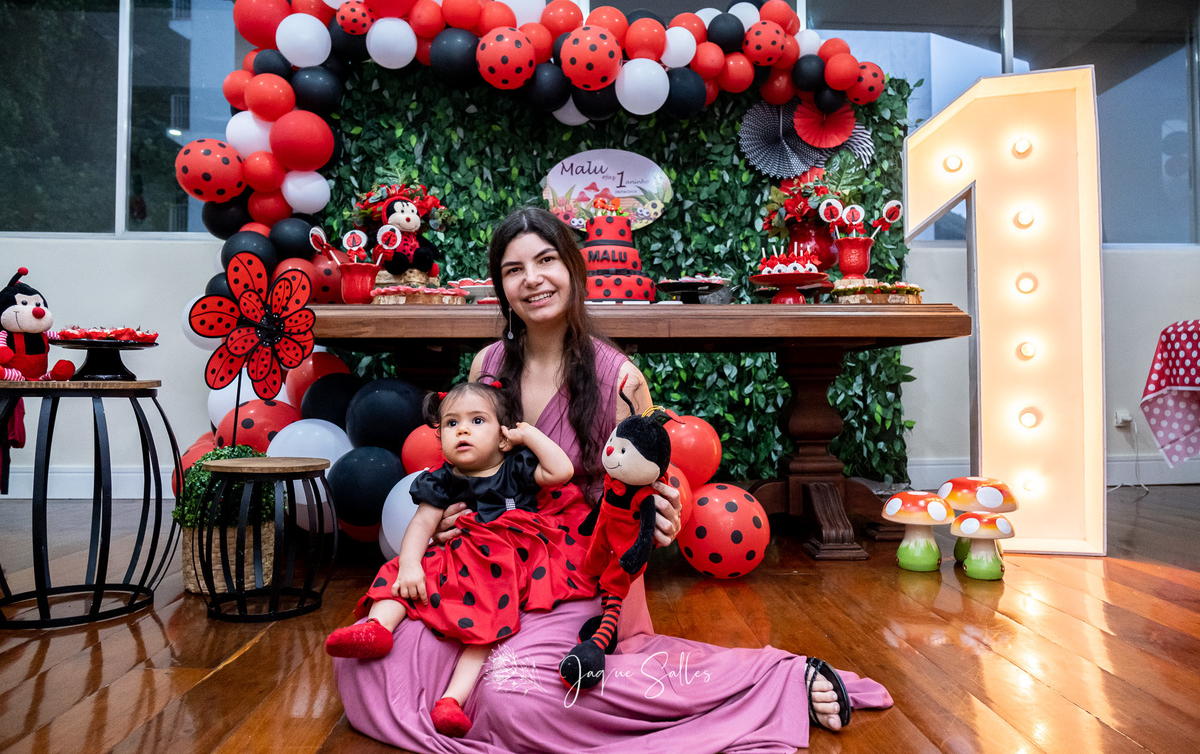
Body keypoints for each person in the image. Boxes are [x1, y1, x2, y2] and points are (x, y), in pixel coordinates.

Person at [334, 207, 893, 753]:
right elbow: (465, 469)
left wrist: (664, 510)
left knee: (516, 699)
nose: (532, 280)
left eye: (546, 260)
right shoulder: (487, 368)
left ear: (573, 270)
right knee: (371, 668)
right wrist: (449, 519)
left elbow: (655, 482)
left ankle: (771, 679)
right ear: (500, 285)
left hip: (578, 571)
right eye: (513, 269)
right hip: (488, 570)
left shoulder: (621, 378)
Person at [325, 379, 596, 737]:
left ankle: (452, 700)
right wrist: (409, 566)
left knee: (487, 626)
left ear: (503, 436)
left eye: (477, 421)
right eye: (451, 424)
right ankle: (378, 628)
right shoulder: (443, 480)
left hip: (501, 567)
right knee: (395, 571)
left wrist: (526, 434)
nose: (463, 429)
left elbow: (560, 471)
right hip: (459, 555)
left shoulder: (517, 467)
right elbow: (422, 526)